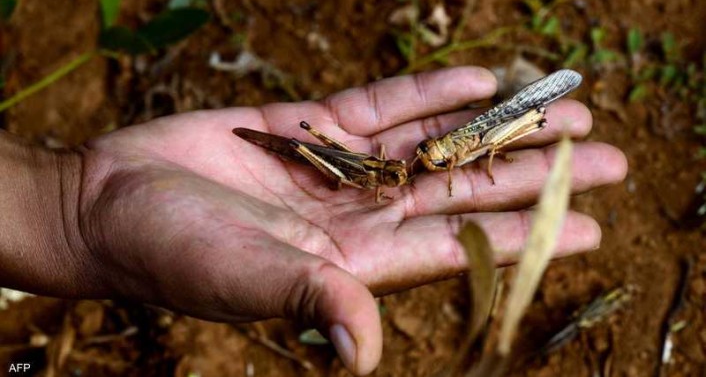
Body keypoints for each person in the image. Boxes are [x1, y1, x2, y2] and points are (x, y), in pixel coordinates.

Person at [0, 67, 626, 375]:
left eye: (428, 158)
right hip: (331, 156)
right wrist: (76, 207)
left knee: (528, 119)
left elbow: (474, 140)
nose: (421, 162)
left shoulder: (448, 151)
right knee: (310, 144)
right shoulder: (406, 162)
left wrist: (73, 202)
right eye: (424, 158)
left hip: (493, 127)